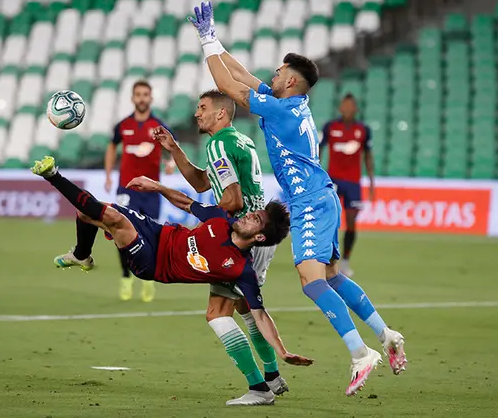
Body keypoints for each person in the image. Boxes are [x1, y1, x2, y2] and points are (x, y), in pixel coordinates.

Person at [188, 1, 407, 396]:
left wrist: (204, 43)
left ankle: (360, 353)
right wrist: (214, 40)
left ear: (290, 81)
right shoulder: (292, 105)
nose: (272, 75)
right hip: (323, 197)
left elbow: (227, 86)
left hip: (308, 201)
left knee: (311, 280)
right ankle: (385, 333)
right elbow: (240, 74)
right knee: (333, 276)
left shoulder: (281, 111)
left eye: (278, 72)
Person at [30, 155, 313, 406]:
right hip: (156, 232)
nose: (249, 214)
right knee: (89, 211)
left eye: (256, 219)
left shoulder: (240, 269)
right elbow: (187, 204)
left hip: (152, 263)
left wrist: (283, 351)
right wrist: (157, 186)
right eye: (254, 212)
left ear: (259, 236)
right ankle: (81, 255)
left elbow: (260, 314)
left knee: (113, 219)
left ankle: (53, 176)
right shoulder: (219, 219)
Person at [152, 89, 287, 405]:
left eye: (203, 107)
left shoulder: (217, 144)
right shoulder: (240, 141)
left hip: (240, 239)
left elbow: (232, 200)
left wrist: (208, 223)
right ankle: (272, 374)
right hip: (258, 236)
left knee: (217, 313)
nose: (197, 113)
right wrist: (175, 149)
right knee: (245, 308)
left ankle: (259, 389)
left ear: (221, 113)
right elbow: (203, 182)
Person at [53, 80, 176, 303]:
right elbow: (112, 147)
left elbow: (171, 149)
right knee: (120, 232)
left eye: (145, 94)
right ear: (132, 98)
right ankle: (125, 276)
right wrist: (109, 174)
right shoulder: (123, 125)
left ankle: (147, 279)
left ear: (150, 98)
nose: (141, 98)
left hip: (151, 189)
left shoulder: (159, 126)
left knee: (151, 236)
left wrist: (170, 162)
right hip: (126, 189)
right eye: (138, 94)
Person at [320, 93, 376, 277]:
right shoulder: (330, 127)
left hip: (353, 183)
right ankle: (326, 258)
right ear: (340, 108)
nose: (348, 108)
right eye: (345, 105)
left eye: (351, 105)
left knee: (351, 223)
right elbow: (319, 148)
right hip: (333, 180)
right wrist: (317, 174)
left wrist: (372, 183)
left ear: (356, 109)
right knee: (330, 220)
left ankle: (345, 261)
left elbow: (368, 156)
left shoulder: (363, 130)